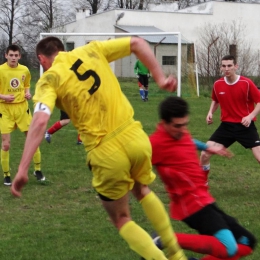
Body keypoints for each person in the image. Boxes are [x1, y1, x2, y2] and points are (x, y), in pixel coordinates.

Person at [11, 36, 187, 260]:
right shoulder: (91, 50)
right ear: (62, 50)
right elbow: (137, 43)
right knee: (142, 190)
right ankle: (177, 254)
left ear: (42, 59)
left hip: (105, 152)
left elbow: (39, 121)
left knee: (121, 217)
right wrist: (160, 78)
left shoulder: (49, 79)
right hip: (135, 137)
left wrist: (23, 169)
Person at [149, 96, 256, 260]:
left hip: (204, 198)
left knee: (248, 242)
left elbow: (189, 141)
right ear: (164, 123)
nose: (183, 129)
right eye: (177, 126)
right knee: (229, 248)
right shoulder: (154, 144)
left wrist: (208, 147)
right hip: (190, 204)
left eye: (185, 124)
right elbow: (132, 159)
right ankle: (164, 239)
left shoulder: (180, 132)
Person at [200, 55, 260, 178]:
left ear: (236, 66)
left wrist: (249, 116)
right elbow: (216, 100)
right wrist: (210, 112)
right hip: (226, 127)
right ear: (221, 67)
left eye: (229, 66)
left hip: (245, 127)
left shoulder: (246, 83)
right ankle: (202, 185)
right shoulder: (218, 84)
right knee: (204, 154)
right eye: (224, 66)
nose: (226, 69)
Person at [0, 44, 45, 186]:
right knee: (6, 145)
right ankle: (6, 175)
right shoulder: (0, 70)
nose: (13, 57)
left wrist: (27, 93)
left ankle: (37, 169)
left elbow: (26, 85)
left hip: (22, 109)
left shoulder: (24, 70)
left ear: (19, 56)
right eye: (11, 55)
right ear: (6, 55)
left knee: (32, 139)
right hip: (5, 109)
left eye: (16, 55)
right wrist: (4, 97)